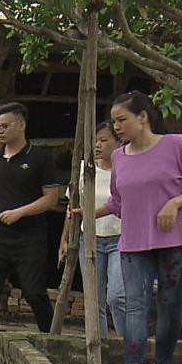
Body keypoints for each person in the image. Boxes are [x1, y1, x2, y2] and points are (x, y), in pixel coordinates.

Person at [96, 91, 182, 364]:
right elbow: (119, 201)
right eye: (114, 122)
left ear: (143, 117)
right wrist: (90, 213)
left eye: (122, 120)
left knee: (169, 303)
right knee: (133, 303)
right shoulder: (120, 157)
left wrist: (174, 203)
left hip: (179, 241)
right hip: (134, 242)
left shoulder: (177, 145)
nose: (117, 127)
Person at [0, 103, 60, 364]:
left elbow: (51, 199)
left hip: (29, 237)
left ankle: (52, 340)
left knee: (34, 291)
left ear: (21, 125)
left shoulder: (41, 158)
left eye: (5, 126)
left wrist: (20, 212)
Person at [59, 122, 125, 340]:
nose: (97, 145)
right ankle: (102, 348)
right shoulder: (84, 170)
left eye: (104, 140)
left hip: (120, 239)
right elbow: (72, 209)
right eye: (95, 140)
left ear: (119, 142)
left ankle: (128, 346)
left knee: (116, 296)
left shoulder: (126, 170)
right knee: (94, 301)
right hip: (90, 238)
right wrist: (65, 239)